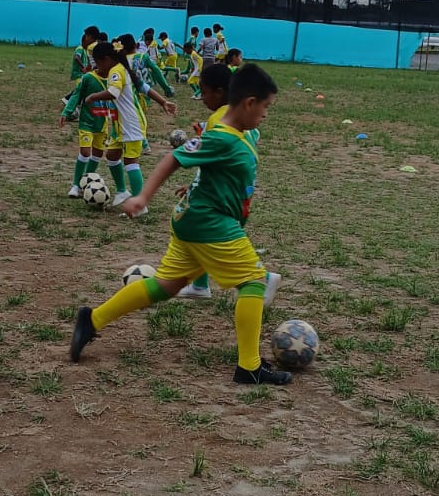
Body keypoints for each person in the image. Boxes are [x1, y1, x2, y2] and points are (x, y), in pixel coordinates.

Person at [69, 63, 291, 386]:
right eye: (266, 107)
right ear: (248, 103)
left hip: (193, 220)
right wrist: (142, 197)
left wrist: (199, 183)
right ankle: (249, 367)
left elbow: (215, 167)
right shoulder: (222, 136)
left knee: (165, 286)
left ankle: (92, 319)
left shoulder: (241, 131)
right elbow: (173, 158)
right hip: (209, 223)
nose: (266, 114)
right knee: (255, 281)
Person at [177, 62, 280, 308]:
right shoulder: (244, 118)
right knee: (207, 239)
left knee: (217, 240)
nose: (202, 97)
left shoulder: (219, 119)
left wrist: (196, 183)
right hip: (240, 187)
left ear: (221, 92)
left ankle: (262, 278)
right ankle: (200, 285)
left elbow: (213, 158)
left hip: (223, 191)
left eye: (204, 91)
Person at [107, 36, 175, 205]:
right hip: (120, 122)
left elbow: (141, 86)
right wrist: (163, 100)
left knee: (131, 161)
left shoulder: (120, 70)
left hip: (131, 120)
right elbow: (144, 86)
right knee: (112, 155)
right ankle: (122, 191)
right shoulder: (124, 68)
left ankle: (139, 203)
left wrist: (163, 101)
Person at [60, 39, 119, 197]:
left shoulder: (115, 79)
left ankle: (84, 182)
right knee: (85, 152)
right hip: (86, 122)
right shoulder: (88, 78)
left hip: (102, 123)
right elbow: (76, 95)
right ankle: (75, 185)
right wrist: (66, 111)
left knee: (98, 154)